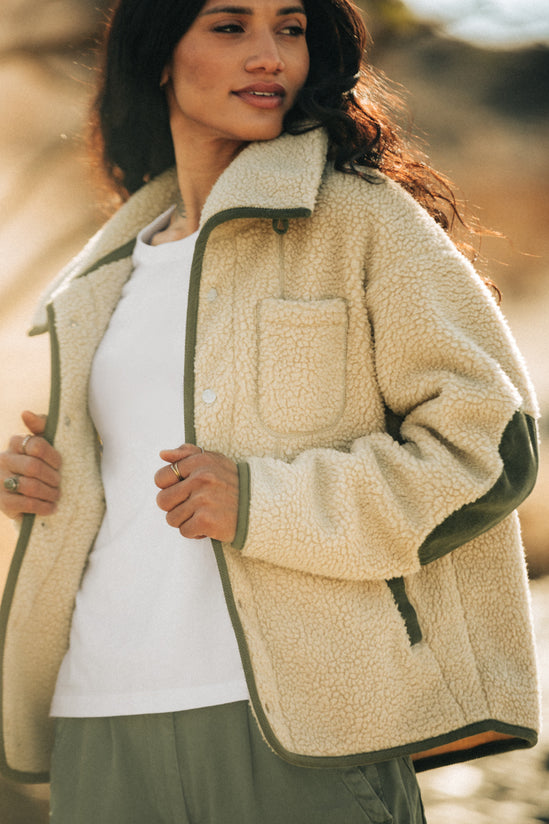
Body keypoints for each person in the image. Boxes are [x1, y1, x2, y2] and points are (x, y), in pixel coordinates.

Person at [0, 0, 540, 821]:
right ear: (158, 54)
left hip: (296, 726)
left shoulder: (360, 218)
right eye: (230, 27)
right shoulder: (105, 272)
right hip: (98, 718)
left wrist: (261, 501)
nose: (269, 56)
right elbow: (131, 484)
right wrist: (45, 486)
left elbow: (489, 449)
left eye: (289, 29)